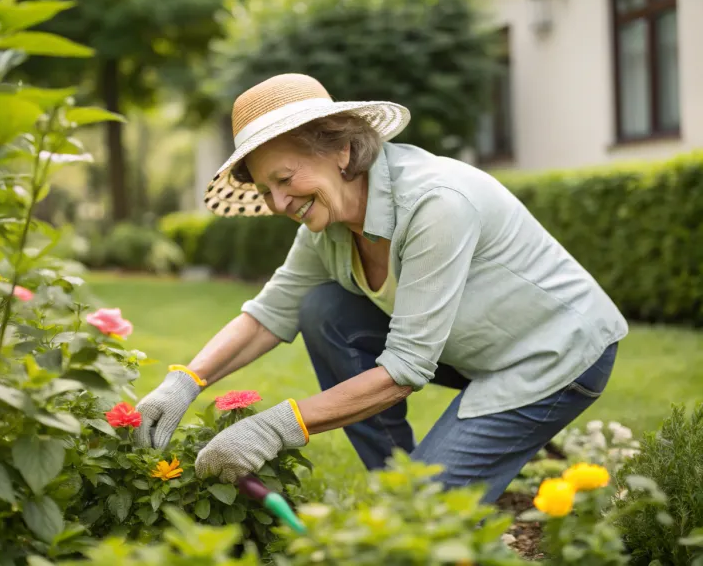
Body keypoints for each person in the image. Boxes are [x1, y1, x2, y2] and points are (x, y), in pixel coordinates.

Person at [135, 73, 628, 502]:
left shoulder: (436, 204)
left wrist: (275, 426)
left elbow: (406, 368)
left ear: (342, 150)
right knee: (323, 310)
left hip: (552, 354)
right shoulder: (326, 225)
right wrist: (183, 382)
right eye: (267, 191)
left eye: (286, 178)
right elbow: (270, 313)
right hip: (473, 349)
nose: (281, 203)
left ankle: (420, 498)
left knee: (422, 522)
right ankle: (401, 481)